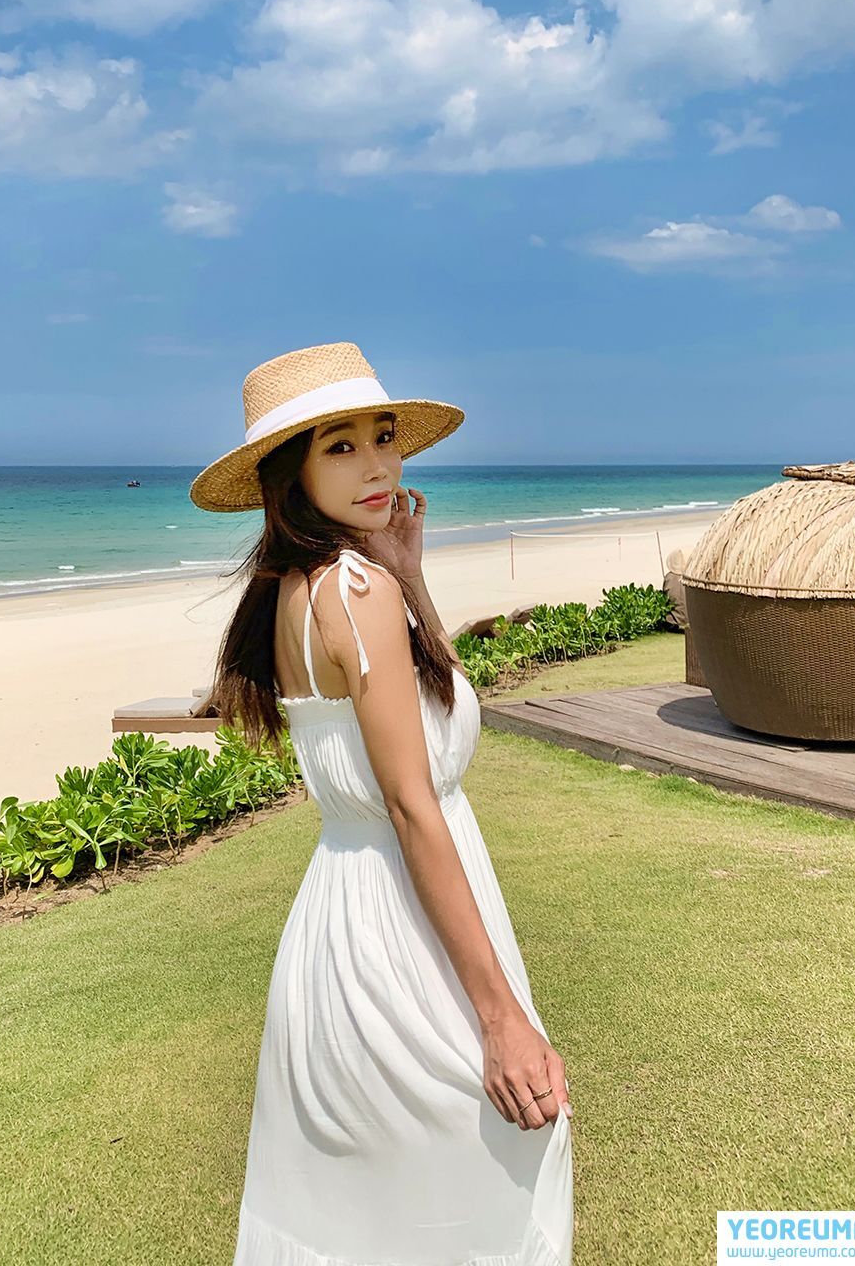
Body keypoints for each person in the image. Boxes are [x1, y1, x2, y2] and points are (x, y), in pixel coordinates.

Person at [189, 341, 574, 1266]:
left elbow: (427, 707)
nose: (377, 466)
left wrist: (409, 573)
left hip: (340, 919)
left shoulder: (296, 588)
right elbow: (411, 803)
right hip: (403, 927)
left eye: (385, 438)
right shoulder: (354, 592)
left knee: (367, 1212)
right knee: (496, 1165)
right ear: (289, 473)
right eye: (341, 446)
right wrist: (500, 1016)